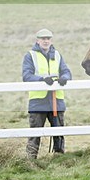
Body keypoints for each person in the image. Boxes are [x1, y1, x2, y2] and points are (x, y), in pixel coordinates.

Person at [22, 28, 72, 158]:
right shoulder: (30, 56)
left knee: (59, 132)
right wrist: (42, 79)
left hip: (56, 100)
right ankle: (30, 160)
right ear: (37, 41)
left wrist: (64, 78)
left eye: (48, 39)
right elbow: (27, 76)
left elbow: (66, 72)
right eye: (43, 39)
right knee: (35, 133)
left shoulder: (57, 55)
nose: (45, 41)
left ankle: (59, 158)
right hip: (38, 101)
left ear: (51, 40)